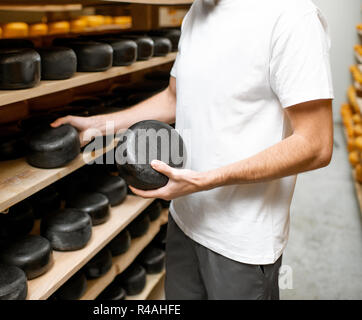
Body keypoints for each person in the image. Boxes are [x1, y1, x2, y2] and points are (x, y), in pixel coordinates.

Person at [52, 0, 334, 300]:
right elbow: (174, 97)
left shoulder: (292, 16)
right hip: (184, 220)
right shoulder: (197, 12)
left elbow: (315, 144)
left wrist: (206, 180)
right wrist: (101, 124)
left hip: (241, 241)